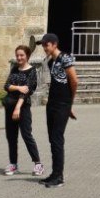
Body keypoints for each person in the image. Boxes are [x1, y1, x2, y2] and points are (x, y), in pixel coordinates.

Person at [38, 32, 80, 188]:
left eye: (46, 45)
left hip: (62, 104)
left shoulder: (65, 58)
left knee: (57, 139)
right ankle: (54, 174)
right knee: (52, 139)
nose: (44, 48)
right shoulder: (51, 61)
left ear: (54, 44)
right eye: (43, 45)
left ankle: (59, 177)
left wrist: (70, 103)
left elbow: (74, 81)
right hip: (52, 104)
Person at [2, 44, 44, 177]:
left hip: (23, 107)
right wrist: (18, 88)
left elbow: (28, 91)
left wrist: (18, 107)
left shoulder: (32, 71)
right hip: (9, 107)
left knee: (27, 135)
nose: (19, 57)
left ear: (27, 56)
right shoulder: (14, 69)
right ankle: (13, 164)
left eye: (22, 55)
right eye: (17, 55)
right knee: (11, 136)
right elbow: (6, 86)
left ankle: (38, 164)